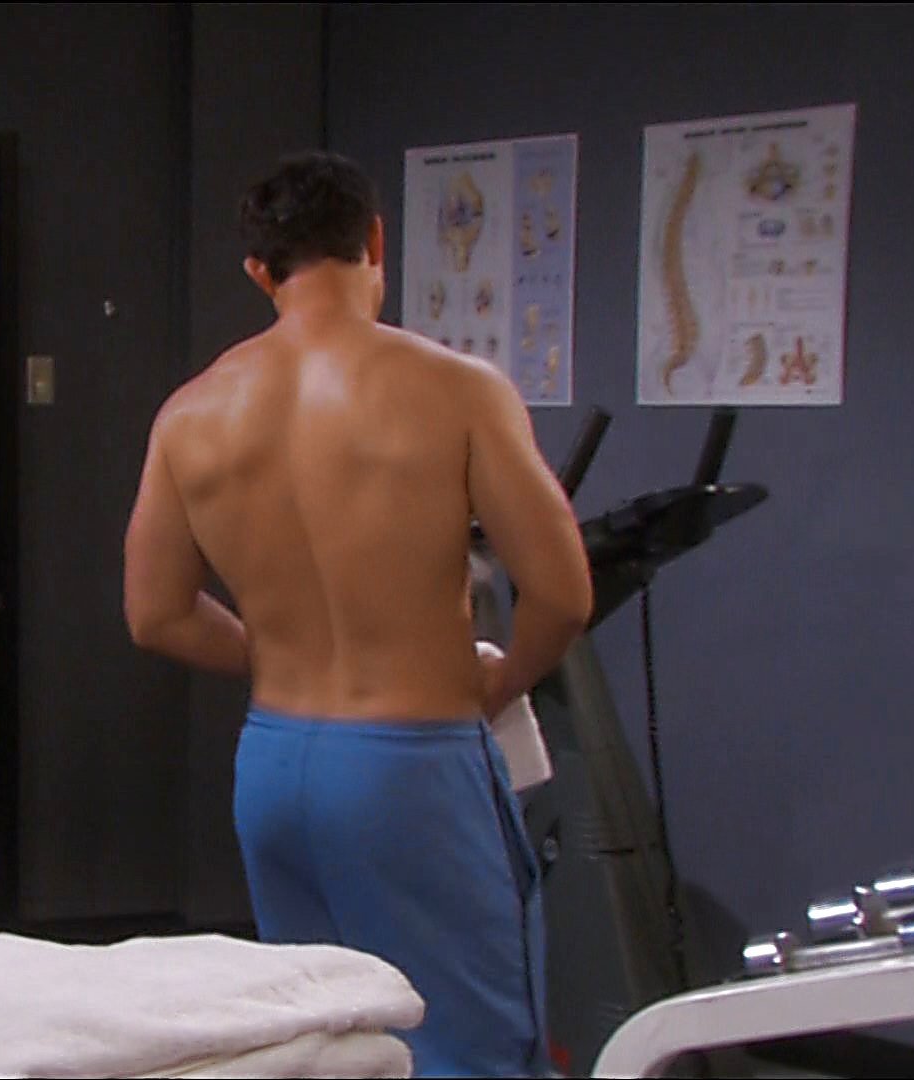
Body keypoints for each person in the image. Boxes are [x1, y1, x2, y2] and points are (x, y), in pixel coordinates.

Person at [122, 151, 592, 1078]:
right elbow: (563, 594)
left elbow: (158, 615)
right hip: (411, 769)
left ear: (259, 270)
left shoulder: (190, 414)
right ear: (376, 240)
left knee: (331, 1045)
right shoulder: (457, 388)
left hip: (275, 769)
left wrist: (274, 654)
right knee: (473, 1052)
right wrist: (502, 680)